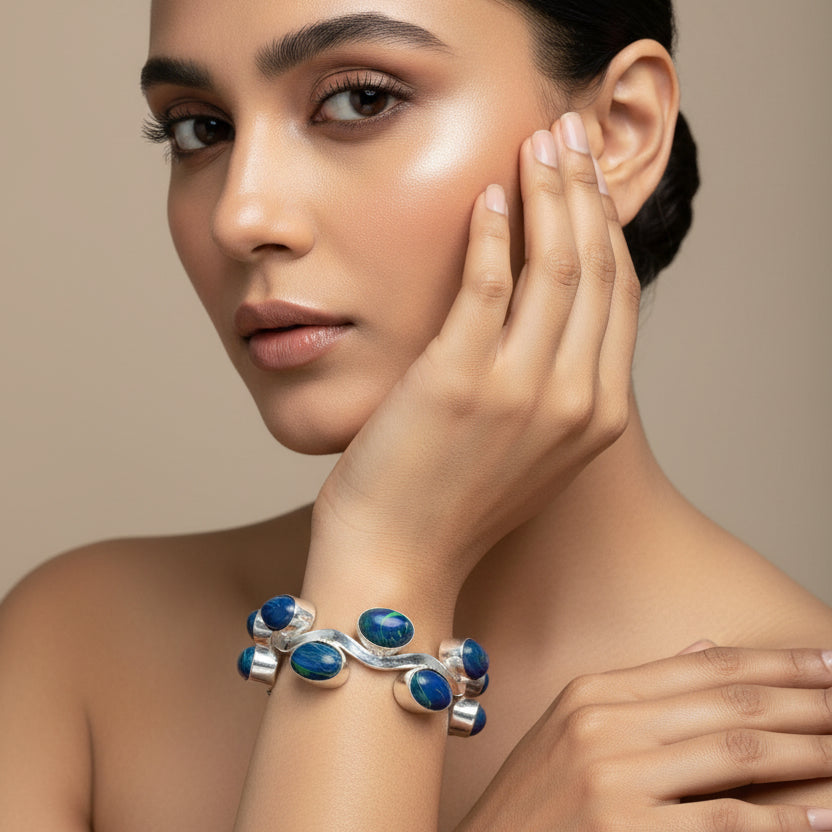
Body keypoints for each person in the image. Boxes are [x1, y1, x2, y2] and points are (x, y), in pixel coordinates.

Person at [1, 1, 831, 829]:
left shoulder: (790, 759)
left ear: (617, 132)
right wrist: (385, 556)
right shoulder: (76, 653)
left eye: (360, 99)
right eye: (198, 128)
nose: (240, 216)